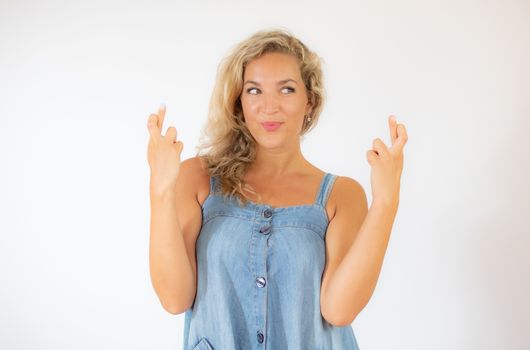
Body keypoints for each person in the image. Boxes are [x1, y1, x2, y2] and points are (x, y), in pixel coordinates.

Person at [146, 28, 408, 350]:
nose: (269, 106)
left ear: (309, 101)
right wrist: (160, 189)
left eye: (286, 89)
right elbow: (174, 298)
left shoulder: (342, 195)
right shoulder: (198, 177)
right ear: (239, 102)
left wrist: (386, 201)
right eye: (254, 91)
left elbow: (339, 311)